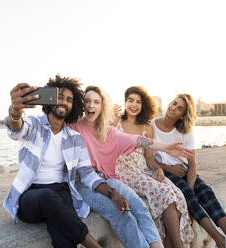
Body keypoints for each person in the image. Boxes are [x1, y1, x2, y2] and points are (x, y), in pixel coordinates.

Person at [3, 75, 133, 248]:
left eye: (69, 99)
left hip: (61, 192)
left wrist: (113, 193)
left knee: (64, 238)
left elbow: (88, 175)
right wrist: (15, 112)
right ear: (49, 100)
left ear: (74, 106)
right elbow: (16, 129)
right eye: (59, 97)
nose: (63, 102)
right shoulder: (34, 125)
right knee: (49, 197)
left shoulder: (75, 138)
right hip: (31, 196)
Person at [68, 86, 193, 248]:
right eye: (88, 101)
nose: (91, 105)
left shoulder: (109, 131)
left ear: (102, 106)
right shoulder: (73, 126)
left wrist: (166, 147)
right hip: (82, 183)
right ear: (83, 105)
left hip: (106, 178)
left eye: (96, 102)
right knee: (121, 214)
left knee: (139, 207)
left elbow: (137, 140)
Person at [151, 94, 226, 248]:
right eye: (174, 103)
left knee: (204, 191)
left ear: (182, 115)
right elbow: (149, 158)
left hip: (184, 171)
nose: (173, 108)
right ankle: (221, 241)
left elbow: (192, 164)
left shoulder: (184, 131)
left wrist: (191, 188)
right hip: (165, 172)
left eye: (179, 108)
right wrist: (170, 168)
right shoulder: (152, 125)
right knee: (188, 194)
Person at [112, 86, 194, 248]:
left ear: (143, 105)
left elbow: (149, 157)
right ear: (125, 102)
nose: (134, 105)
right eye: (130, 101)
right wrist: (112, 121)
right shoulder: (116, 123)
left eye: (138, 102)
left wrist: (157, 168)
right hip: (124, 170)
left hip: (144, 168)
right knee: (164, 193)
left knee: (177, 194)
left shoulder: (146, 127)